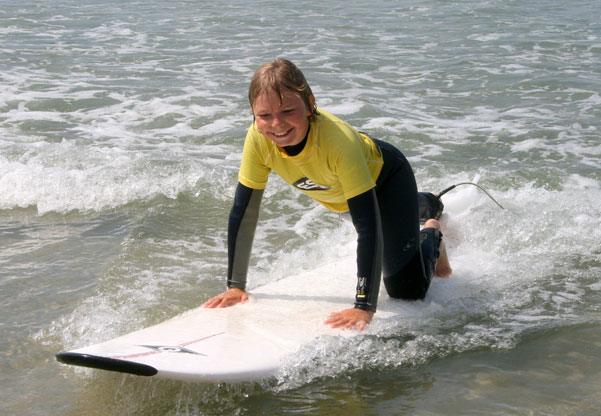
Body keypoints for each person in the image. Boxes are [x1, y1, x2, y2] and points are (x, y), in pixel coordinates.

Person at [203, 59, 452, 331]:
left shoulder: (338, 142)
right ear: (253, 113)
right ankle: (425, 203)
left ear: (310, 105)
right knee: (391, 218)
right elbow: (245, 211)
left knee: (407, 292)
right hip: (345, 192)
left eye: (288, 110)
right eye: (264, 115)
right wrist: (236, 286)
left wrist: (363, 306)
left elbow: (368, 226)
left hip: (388, 180)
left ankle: (431, 232)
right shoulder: (257, 140)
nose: (277, 124)